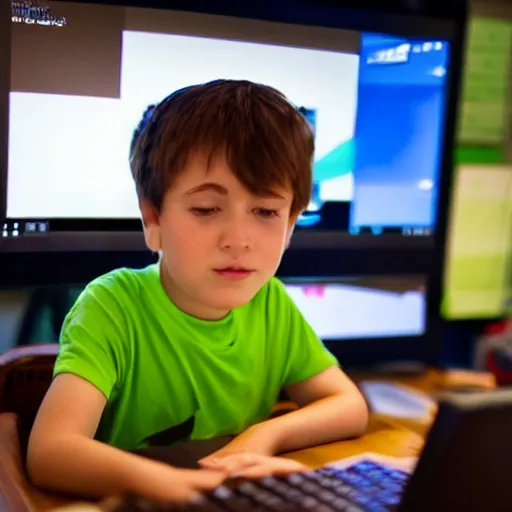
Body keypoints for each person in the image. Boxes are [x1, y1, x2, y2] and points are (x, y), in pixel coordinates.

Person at [27, 79, 368, 504]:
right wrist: (191, 487)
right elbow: (50, 452)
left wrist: (261, 437)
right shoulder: (111, 305)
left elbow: (348, 404)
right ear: (153, 217)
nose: (239, 239)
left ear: (292, 223)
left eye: (265, 211)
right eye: (206, 209)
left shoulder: (271, 303)